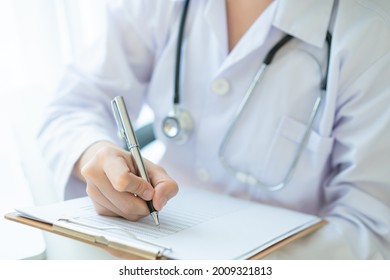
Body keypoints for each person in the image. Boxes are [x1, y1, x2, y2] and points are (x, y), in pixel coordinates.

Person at [38, 0, 390, 259]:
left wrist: (221, 266)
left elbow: (374, 233)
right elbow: (73, 106)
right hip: (151, 248)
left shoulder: (374, 34)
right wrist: (96, 154)